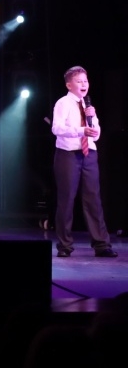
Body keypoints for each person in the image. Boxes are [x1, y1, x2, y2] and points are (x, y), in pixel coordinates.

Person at [51, 66, 116, 258]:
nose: (83, 84)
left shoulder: (88, 106)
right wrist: (81, 131)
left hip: (89, 154)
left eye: (85, 81)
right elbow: (56, 128)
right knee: (66, 199)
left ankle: (101, 244)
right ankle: (64, 246)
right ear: (69, 85)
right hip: (68, 154)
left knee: (93, 199)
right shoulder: (63, 103)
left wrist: (92, 122)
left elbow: (96, 133)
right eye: (79, 81)